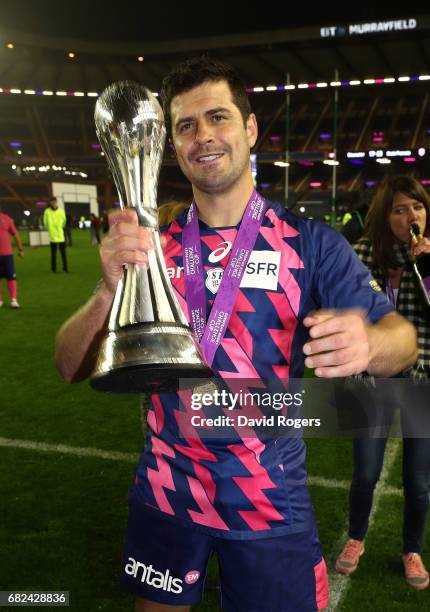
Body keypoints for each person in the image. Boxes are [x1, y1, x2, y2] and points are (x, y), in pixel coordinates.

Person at [55, 57, 417, 612]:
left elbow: (403, 340)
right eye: (185, 125)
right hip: (166, 490)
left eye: (218, 117)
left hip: (268, 499)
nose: (203, 136)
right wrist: (106, 293)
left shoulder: (308, 244)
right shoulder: (152, 249)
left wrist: (370, 343)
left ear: (249, 129)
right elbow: (69, 366)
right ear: (171, 146)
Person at [336, 175, 430, 590]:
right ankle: (356, 538)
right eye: (400, 209)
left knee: (419, 480)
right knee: (366, 473)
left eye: (418, 207)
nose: (412, 216)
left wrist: (424, 268)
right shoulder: (360, 254)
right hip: (369, 381)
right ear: (383, 216)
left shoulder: (428, 258)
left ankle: (412, 548)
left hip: (420, 380)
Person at [0, 207, 24, 308]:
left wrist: (20, 249)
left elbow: (15, 235)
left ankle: (13, 300)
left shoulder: (6, 219)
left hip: (7, 254)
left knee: (11, 276)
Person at [43, 197, 68, 272]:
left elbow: (64, 222)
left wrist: (59, 227)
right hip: (52, 236)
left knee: (63, 254)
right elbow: (45, 222)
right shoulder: (47, 211)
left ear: (56, 202)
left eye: (55, 202)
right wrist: (51, 229)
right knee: (53, 254)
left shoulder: (61, 211)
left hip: (61, 235)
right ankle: (53, 269)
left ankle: (65, 268)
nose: (53, 203)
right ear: (50, 203)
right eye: (52, 202)